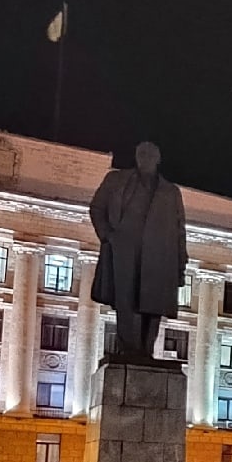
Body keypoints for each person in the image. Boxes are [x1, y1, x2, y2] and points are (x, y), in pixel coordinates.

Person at [89, 141, 187, 360]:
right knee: (126, 300)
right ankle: (129, 350)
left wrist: (181, 264)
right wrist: (108, 236)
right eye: (142, 154)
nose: (146, 158)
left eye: (151, 154)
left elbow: (180, 230)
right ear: (136, 157)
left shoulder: (170, 192)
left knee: (153, 305)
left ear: (158, 159)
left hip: (159, 256)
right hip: (124, 250)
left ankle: (147, 351)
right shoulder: (116, 180)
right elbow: (97, 208)